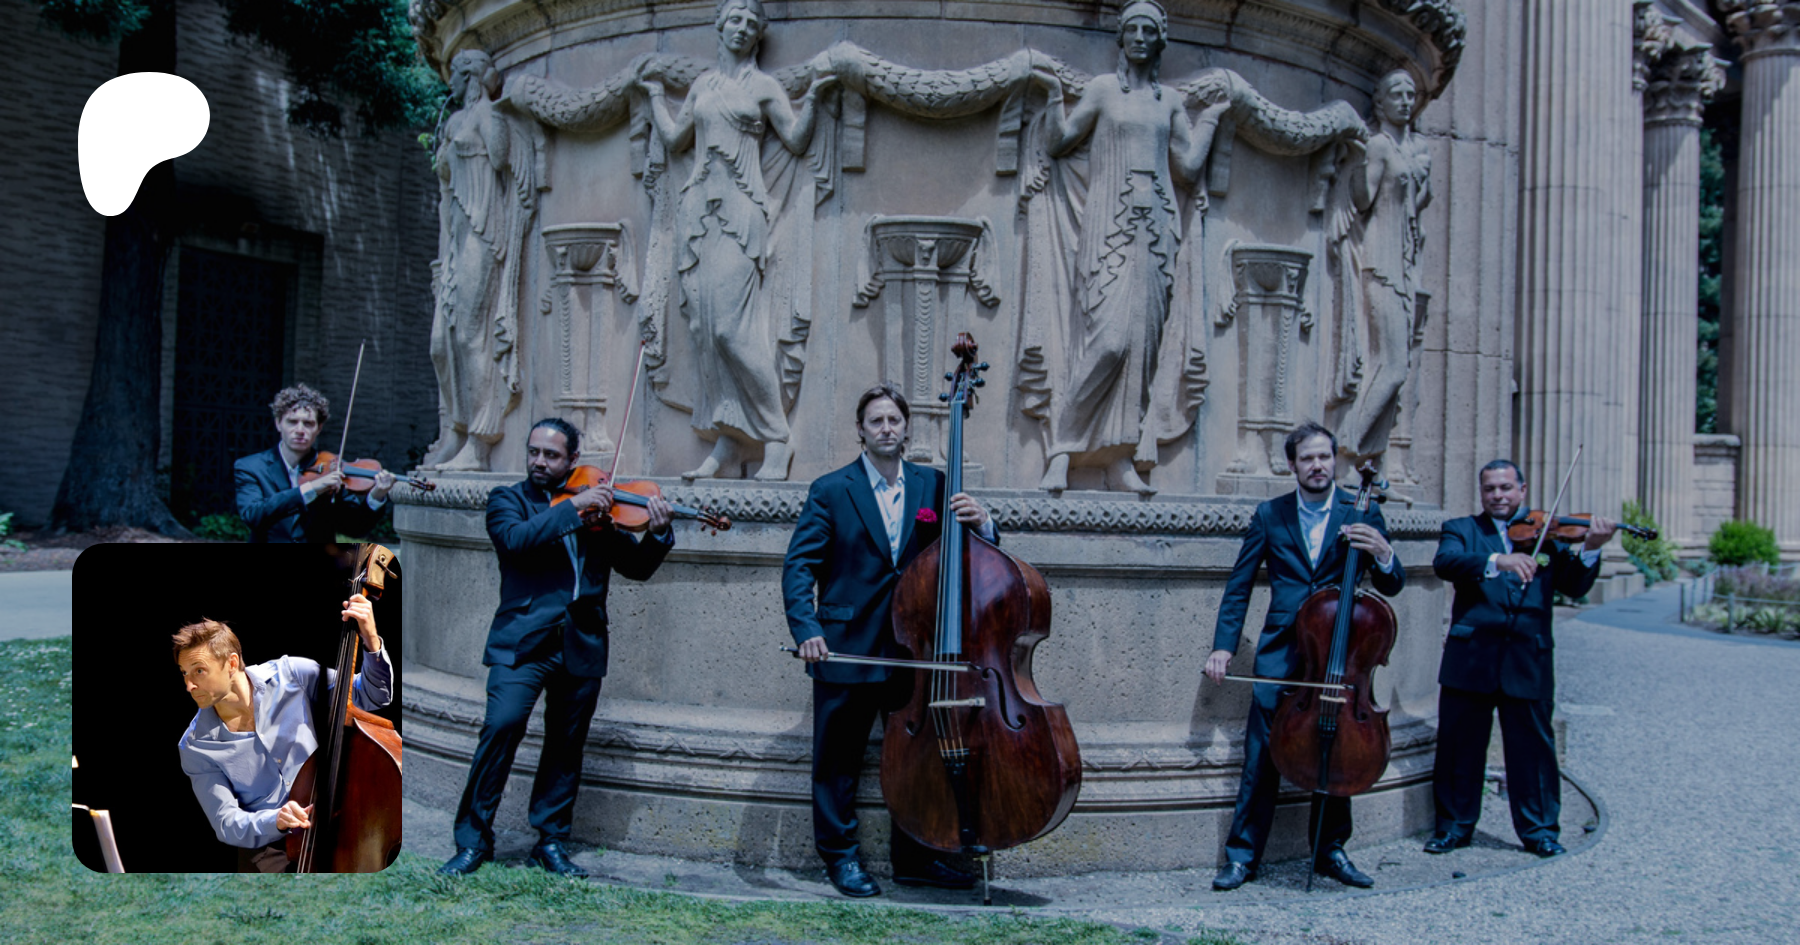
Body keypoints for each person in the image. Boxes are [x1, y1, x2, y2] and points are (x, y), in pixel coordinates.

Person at [782, 384, 995, 898]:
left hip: (912, 650)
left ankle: (915, 859)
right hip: (846, 645)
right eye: (875, 420)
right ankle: (840, 858)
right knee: (837, 762)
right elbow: (799, 565)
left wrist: (985, 523)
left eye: (893, 420)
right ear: (860, 429)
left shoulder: (934, 485)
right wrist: (807, 629)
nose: (885, 428)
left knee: (917, 760)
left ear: (906, 428)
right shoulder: (831, 489)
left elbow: (969, 556)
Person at [438, 418, 675, 877]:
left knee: (566, 745)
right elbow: (516, 541)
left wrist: (658, 534)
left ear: (572, 459)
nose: (540, 462)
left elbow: (637, 568)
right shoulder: (509, 500)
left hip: (582, 641)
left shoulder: (600, 512)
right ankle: (472, 840)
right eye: (534, 452)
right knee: (501, 726)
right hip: (523, 641)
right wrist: (574, 507)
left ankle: (550, 841)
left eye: (551, 455)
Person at [1021, 0, 1228, 495]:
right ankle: (1063, 449)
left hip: (1155, 230)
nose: (1139, 37)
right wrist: (1053, 95)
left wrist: (1211, 120)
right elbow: (1060, 141)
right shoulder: (1101, 90)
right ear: (1121, 37)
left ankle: (1120, 457)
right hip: (1108, 228)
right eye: (1131, 29)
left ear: (1160, 40)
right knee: (1108, 342)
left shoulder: (1169, 101)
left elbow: (1187, 168)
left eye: (1148, 30)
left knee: (1141, 349)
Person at [638, 0, 837, 482]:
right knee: (705, 332)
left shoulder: (764, 86)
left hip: (741, 212)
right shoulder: (704, 86)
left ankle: (778, 438)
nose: (742, 28)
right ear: (719, 26)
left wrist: (814, 98)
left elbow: (795, 139)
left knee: (732, 330)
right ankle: (727, 442)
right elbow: (676, 138)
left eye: (751, 23)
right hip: (697, 212)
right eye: (734, 20)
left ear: (759, 34)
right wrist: (654, 97)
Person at [1202, 421, 1405, 890]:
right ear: (1292, 465)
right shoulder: (1270, 514)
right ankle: (1242, 857)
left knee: (1338, 748)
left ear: (1335, 461)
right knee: (1260, 756)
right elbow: (1239, 586)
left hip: (1339, 655)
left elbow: (1391, 585)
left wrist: (1384, 553)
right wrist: (1223, 646)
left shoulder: (1362, 511)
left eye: (1324, 457)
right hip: (1280, 652)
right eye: (1308, 458)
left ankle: (1330, 850)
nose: (1318, 465)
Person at [1425, 460, 1615, 858]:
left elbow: (1575, 586)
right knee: (1460, 746)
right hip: (1471, 657)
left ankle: (1540, 831)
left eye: (1506, 487)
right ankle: (1453, 827)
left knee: (1533, 749)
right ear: (1481, 492)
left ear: (1522, 490)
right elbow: (1446, 563)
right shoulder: (1461, 529)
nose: (1498, 495)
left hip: (1529, 658)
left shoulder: (1549, 535)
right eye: (1490, 488)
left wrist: (1593, 548)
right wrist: (1498, 560)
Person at [174, 594, 392, 873]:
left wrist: (371, 639)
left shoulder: (292, 675)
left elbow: (371, 696)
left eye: (199, 671)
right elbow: (226, 821)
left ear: (231, 663)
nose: (189, 685)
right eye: (184, 673)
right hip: (269, 846)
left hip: (336, 817)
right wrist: (275, 819)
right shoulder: (194, 746)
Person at [425, 48, 539, 471]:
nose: (450, 84)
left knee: (472, 337)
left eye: (455, 75)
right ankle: (456, 429)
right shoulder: (455, 121)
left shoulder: (487, 117)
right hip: (456, 237)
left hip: (484, 232)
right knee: (442, 343)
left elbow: (503, 159)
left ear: (469, 75)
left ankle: (480, 440)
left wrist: (494, 108)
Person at [1327, 69, 1432, 463]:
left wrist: (1422, 177)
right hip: (1380, 259)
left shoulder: (1410, 151)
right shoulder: (1380, 146)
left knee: (1396, 363)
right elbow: (1363, 199)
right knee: (1391, 365)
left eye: (1410, 95)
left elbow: (1414, 207)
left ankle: (1367, 456)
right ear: (1381, 103)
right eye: (1397, 95)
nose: (1405, 102)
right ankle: (1346, 448)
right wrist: (1357, 159)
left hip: (1402, 260)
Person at [235, 385, 393, 543]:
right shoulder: (251, 467)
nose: (300, 430)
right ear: (278, 423)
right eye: (292, 422)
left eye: (308, 423)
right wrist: (311, 489)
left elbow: (354, 529)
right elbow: (252, 515)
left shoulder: (332, 468)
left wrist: (376, 495)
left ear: (319, 428)